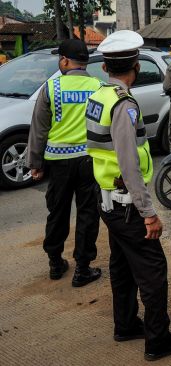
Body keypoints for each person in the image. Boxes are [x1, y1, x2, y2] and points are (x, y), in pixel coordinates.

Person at [86, 30, 171, 361]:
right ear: (135, 66)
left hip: (106, 198)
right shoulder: (122, 104)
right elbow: (129, 163)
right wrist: (148, 212)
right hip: (126, 205)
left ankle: (126, 324)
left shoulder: (99, 97)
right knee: (153, 271)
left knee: (120, 265)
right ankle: (158, 340)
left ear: (104, 67)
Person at [26, 39, 102, 286]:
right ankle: (82, 269)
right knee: (88, 213)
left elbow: (39, 128)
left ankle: (55, 263)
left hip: (58, 162)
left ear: (65, 61)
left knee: (57, 212)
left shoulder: (51, 86)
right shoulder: (98, 86)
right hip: (89, 161)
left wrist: (35, 163)